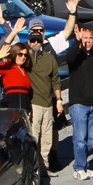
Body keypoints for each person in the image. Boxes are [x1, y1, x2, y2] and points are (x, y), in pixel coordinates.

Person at [65, 24, 93, 180]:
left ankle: (85, 166)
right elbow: (70, 58)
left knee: (90, 140)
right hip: (79, 103)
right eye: (85, 38)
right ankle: (79, 168)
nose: (87, 41)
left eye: (90, 38)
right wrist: (77, 41)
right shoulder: (76, 54)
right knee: (80, 139)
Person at [25, 22, 63, 175]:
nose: (35, 43)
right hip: (33, 103)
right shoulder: (25, 57)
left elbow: (55, 80)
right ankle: (33, 168)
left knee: (47, 137)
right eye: (33, 40)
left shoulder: (49, 58)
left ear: (42, 42)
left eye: (38, 41)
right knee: (34, 136)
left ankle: (44, 166)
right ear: (28, 41)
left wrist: (59, 101)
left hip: (48, 103)